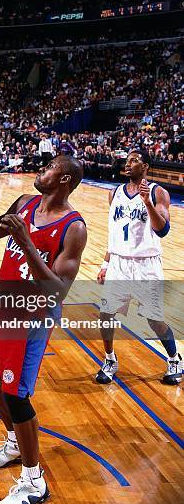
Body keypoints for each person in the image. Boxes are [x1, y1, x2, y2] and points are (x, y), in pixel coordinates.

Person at [0, 155, 87, 504]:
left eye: (48, 167)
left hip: (33, 314)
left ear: (63, 179)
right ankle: (16, 441)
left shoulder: (73, 227)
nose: (40, 170)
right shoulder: (24, 204)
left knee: (16, 394)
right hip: (4, 303)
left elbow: (58, 291)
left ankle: (35, 482)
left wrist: (27, 242)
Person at [96, 149, 182, 385]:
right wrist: (106, 263)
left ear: (145, 166)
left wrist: (147, 203)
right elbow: (114, 234)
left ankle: (175, 359)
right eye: (127, 160)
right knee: (106, 314)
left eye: (134, 160)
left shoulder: (158, 192)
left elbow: (162, 230)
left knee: (154, 320)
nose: (128, 163)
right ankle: (110, 359)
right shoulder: (114, 194)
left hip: (146, 264)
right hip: (120, 263)